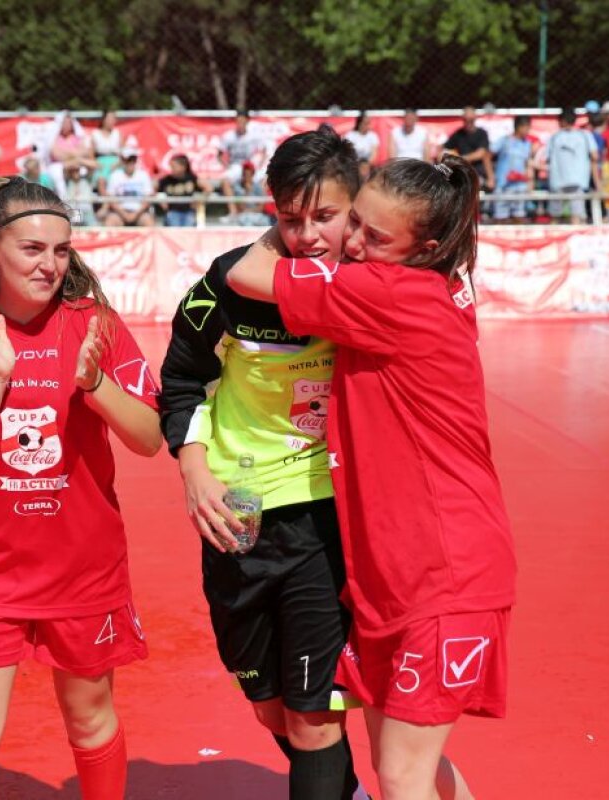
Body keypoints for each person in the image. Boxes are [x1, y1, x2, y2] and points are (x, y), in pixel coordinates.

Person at [226, 155, 516, 800]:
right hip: (395, 577)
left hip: (444, 573)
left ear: (426, 248)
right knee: (411, 762)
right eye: (353, 222)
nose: (352, 243)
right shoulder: (433, 281)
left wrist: (288, 225)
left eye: (374, 237)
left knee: (402, 773)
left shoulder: (389, 291)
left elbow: (244, 273)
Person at [0, 175, 161, 800]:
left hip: (83, 571)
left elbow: (148, 437)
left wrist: (94, 386)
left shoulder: (95, 326)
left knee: (89, 718)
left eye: (61, 250)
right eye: (32, 249)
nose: (50, 264)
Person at [159, 125, 370, 800]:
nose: (309, 235)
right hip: (237, 516)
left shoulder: (374, 287)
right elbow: (180, 381)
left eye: (326, 217)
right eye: (290, 218)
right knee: (269, 707)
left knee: (314, 718)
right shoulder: (227, 285)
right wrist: (195, 472)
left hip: (321, 517)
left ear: (356, 208)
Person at [546, 108, 601, 225]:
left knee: (556, 217)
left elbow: (546, 158)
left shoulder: (555, 137)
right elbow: (595, 156)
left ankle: (554, 241)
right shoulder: (585, 135)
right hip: (578, 181)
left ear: (562, 121)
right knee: (577, 216)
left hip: (558, 181)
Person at [492, 115, 534, 223]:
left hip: (520, 186)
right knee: (500, 218)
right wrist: (491, 176)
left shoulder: (527, 144)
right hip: (503, 184)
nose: (528, 130)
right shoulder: (504, 141)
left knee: (519, 217)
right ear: (519, 127)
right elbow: (488, 154)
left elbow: (527, 163)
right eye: (527, 127)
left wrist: (530, 180)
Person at [443, 106, 495, 191]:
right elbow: (445, 149)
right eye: (466, 120)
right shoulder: (458, 134)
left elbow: (481, 153)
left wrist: (461, 159)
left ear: (475, 119)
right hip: (462, 171)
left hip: (478, 172)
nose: (468, 123)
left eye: (471, 120)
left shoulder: (482, 134)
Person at [219, 110, 266, 201]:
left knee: (265, 180)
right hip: (235, 166)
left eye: (242, 122)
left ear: (247, 122)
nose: (240, 124)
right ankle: (234, 211)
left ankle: (259, 209)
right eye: (238, 121)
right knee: (225, 182)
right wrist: (227, 166)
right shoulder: (229, 136)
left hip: (250, 166)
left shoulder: (254, 136)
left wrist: (260, 165)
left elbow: (264, 150)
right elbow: (219, 154)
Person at [101, 150, 153, 227]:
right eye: (128, 160)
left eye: (133, 160)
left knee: (148, 222)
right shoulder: (115, 176)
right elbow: (111, 198)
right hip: (119, 212)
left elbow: (148, 198)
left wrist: (136, 214)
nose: (130, 163)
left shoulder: (143, 175)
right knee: (110, 221)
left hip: (139, 212)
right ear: (123, 161)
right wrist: (124, 214)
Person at [157, 153, 205, 227]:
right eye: (171, 167)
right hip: (173, 211)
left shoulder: (192, 178)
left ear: (183, 167)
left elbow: (208, 188)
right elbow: (155, 190)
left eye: (174, 167)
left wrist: (197, 202)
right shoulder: (166, 180)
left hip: (188, 211)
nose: (172, 169)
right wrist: (162, 202)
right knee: (174, 226)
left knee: (188, 229)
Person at [91, 110, 123, 194]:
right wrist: (95, 163)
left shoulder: (117, 133)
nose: (112, 121)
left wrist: (118, 163)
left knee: (117, 179)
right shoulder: (95, 133)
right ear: (103, 120)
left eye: (114, 118)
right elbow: (92, 153)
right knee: (101, 180)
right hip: (101, 163)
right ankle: (107, 204)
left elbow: (123, 152)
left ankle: (109, 205)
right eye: (110, 118)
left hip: (116, 163)